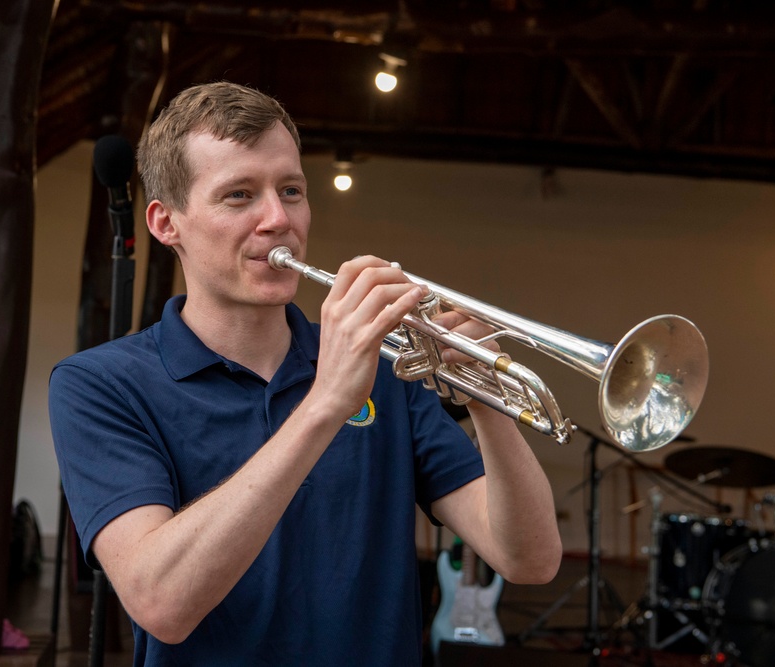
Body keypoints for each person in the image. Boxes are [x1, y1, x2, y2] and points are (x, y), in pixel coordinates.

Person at [48, 81, 561, 666]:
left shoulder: (385, 369)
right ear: (167, 224)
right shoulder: (97, 384)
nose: (278, 218)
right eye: (239, 195)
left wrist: (486, 401)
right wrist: (324, 402)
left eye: (291, 190)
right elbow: (162, 601)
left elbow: (531, 560)